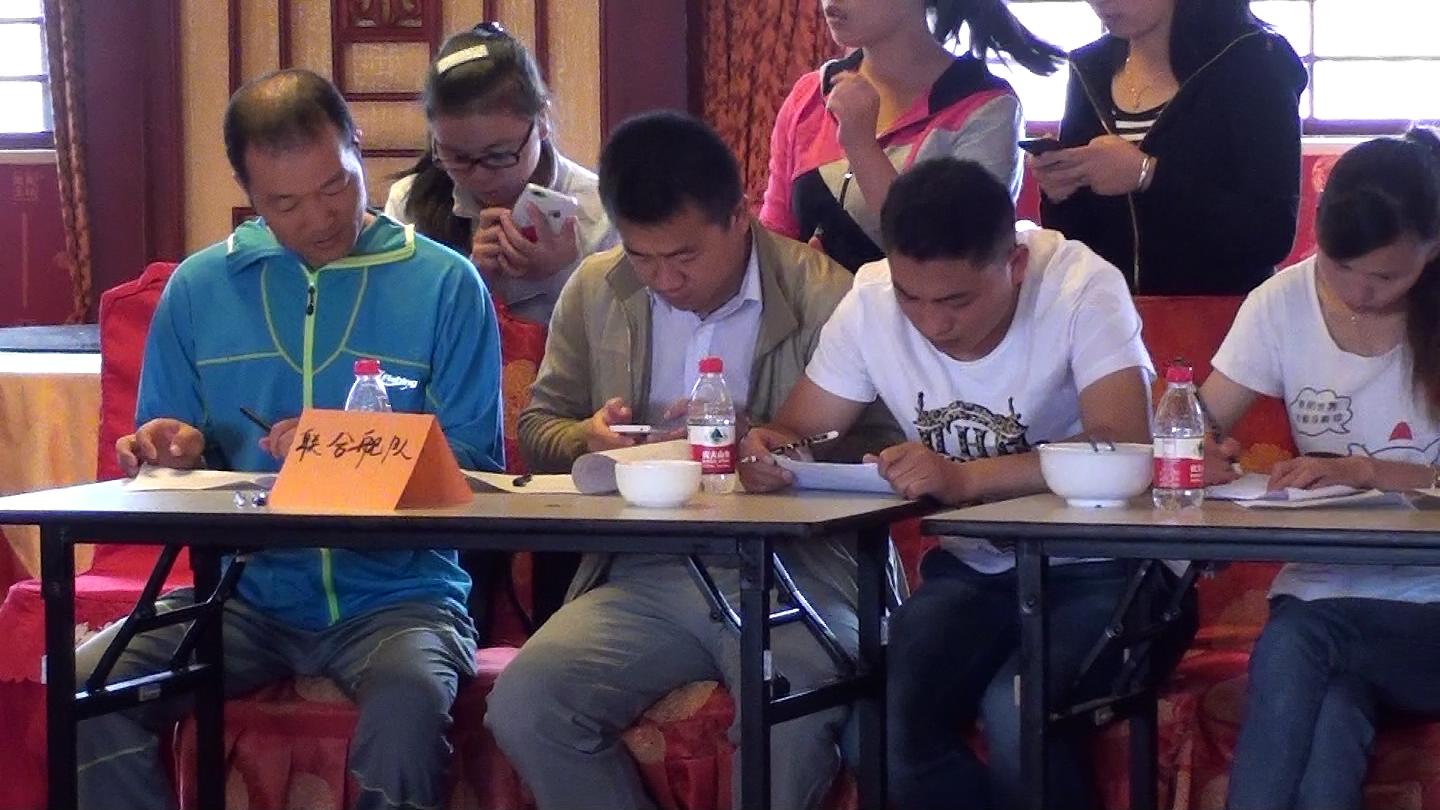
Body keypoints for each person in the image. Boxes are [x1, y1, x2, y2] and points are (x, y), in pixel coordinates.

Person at [76, 69, 505, 810]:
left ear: (358, 147)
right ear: (248, 193)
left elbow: (475, 464)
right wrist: (175, 455)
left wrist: (340, 445)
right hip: (243, 595)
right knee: (89, 688)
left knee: (406, 712)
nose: (321, 217)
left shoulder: (445, 283)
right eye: (286, 203)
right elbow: (162, 470)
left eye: (336, 185)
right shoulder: (199, 290)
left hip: (402, 597)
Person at [742, 157, 1196, 810]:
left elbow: (1123, 446)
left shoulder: (1079, 285)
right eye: (911, 297)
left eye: (956, 301)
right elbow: (798, 428)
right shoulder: (871, 300)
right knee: (880, 728)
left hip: (1110, 570)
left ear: (1014, 264)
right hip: (974, 574)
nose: (932, 323)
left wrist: (967, 478)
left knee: (1017, 710)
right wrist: (768, 451)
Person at [483, 111, 901, 810]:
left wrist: (779, 442)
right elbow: (537, 427)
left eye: (683, 256)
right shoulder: (598, 288)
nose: (665, 279)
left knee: (791, 699)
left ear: (738, 216)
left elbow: (886, 445)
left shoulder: (826, 294)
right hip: (646, 564)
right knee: (529, 702)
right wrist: (588, 437)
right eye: (643, 257)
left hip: (793, 568)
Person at [1200, 129, 1440, 810]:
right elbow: (1193, 423)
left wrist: (1370, 472)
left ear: (1433, 249)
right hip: (1321, 593)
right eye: (1341, 267)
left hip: (1427, 609)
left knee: (1300, 639)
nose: (1359, 292)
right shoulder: (1281, 302)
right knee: (1330, 715)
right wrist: (1200, 449)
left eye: (1386, 277)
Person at [759, 0, 1063, 273]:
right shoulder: (810, 94)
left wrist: (862, 147)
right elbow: (774, 238)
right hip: (811, 318)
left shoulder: (986, 110)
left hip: (916, 319)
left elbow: (952, 264)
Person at [1031, 0, 1307, 295]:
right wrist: (1060, 192)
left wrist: (1147, 175)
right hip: (1107, 313)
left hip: (1219, 312)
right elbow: (1076, 244)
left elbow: (1271, 234)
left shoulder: (1253, 61)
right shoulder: (1090, 67)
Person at [385, 22, 618, 326]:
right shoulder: (409, 204)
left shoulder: (601, 211)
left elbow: (626, 339)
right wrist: (470, 279)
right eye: (457, 157)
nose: (480, 176)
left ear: (542, 120)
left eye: (498, 155)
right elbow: (397, 329)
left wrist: (564, 274)